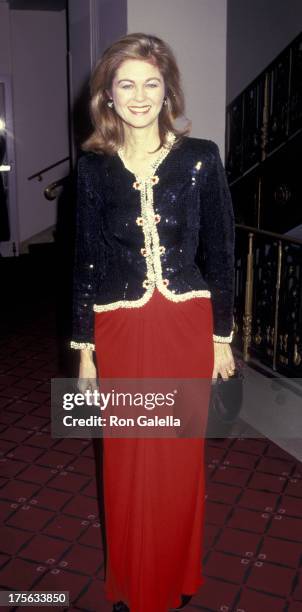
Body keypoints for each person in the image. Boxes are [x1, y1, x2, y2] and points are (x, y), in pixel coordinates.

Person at [70, 32, 235, 612]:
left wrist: (222, 337)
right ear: (107, 96)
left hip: (185, 324)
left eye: (151, 83)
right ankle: (132, 582)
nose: (139, 95)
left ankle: (175, 575)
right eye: (125, 84)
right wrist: (85, 352)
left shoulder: (201, 158)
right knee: (124, 457)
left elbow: (221, 250)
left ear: (167, 90)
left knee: (177, 458)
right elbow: (85, 260)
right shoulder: (92, 169)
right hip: (120, 329)